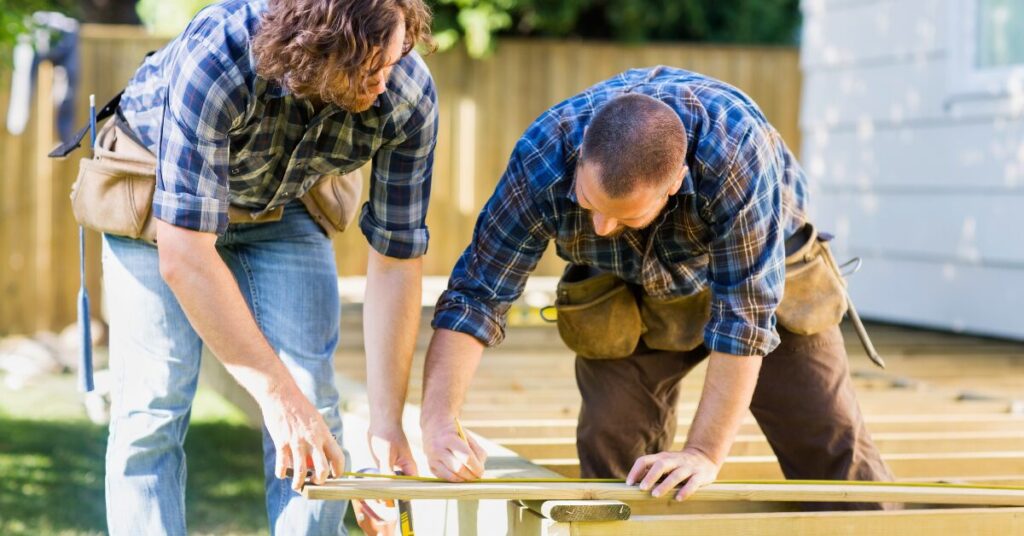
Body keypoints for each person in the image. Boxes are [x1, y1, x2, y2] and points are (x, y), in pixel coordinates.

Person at [419, 66, 895, 508]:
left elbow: (745, 320)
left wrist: (704, 453)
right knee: (612, 454)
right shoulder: (543, 157)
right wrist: (439, 419)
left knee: (830, 448)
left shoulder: (733, 152)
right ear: (582, 152)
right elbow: (477, 295)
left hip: (766, 277)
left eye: (625, 214)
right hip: (624, 285)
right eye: (588, 201)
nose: (601, 226)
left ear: (675, 184)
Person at [103, 0, 436, 533]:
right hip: (159, 202)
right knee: (153, 409)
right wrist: (278, 399)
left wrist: (386, 423)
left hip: (282, 207)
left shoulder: (407, 94)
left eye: (394, 59)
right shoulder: (222, 54)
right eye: (368, 68)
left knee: (315, 403)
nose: (384, 81)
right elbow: (185, 256)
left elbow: (397, 260)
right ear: (318, 49)